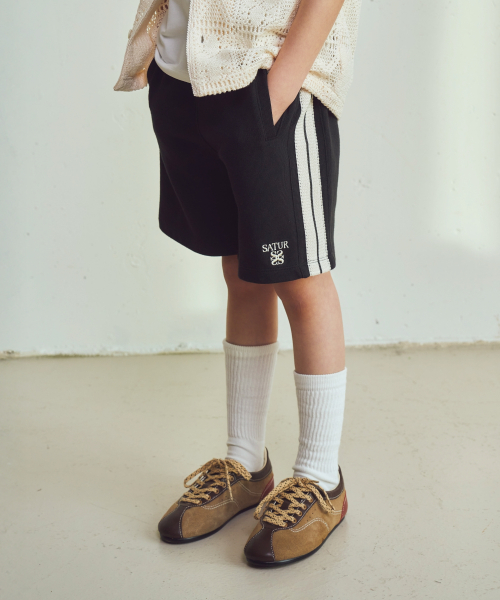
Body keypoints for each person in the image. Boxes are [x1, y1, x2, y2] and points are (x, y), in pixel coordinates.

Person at [114, 0, 361, 566]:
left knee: (301, 277)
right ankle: (246, 464)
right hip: (184, 77)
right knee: (241, 270)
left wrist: (278, 89)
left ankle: (321, 479)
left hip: (266, 77)